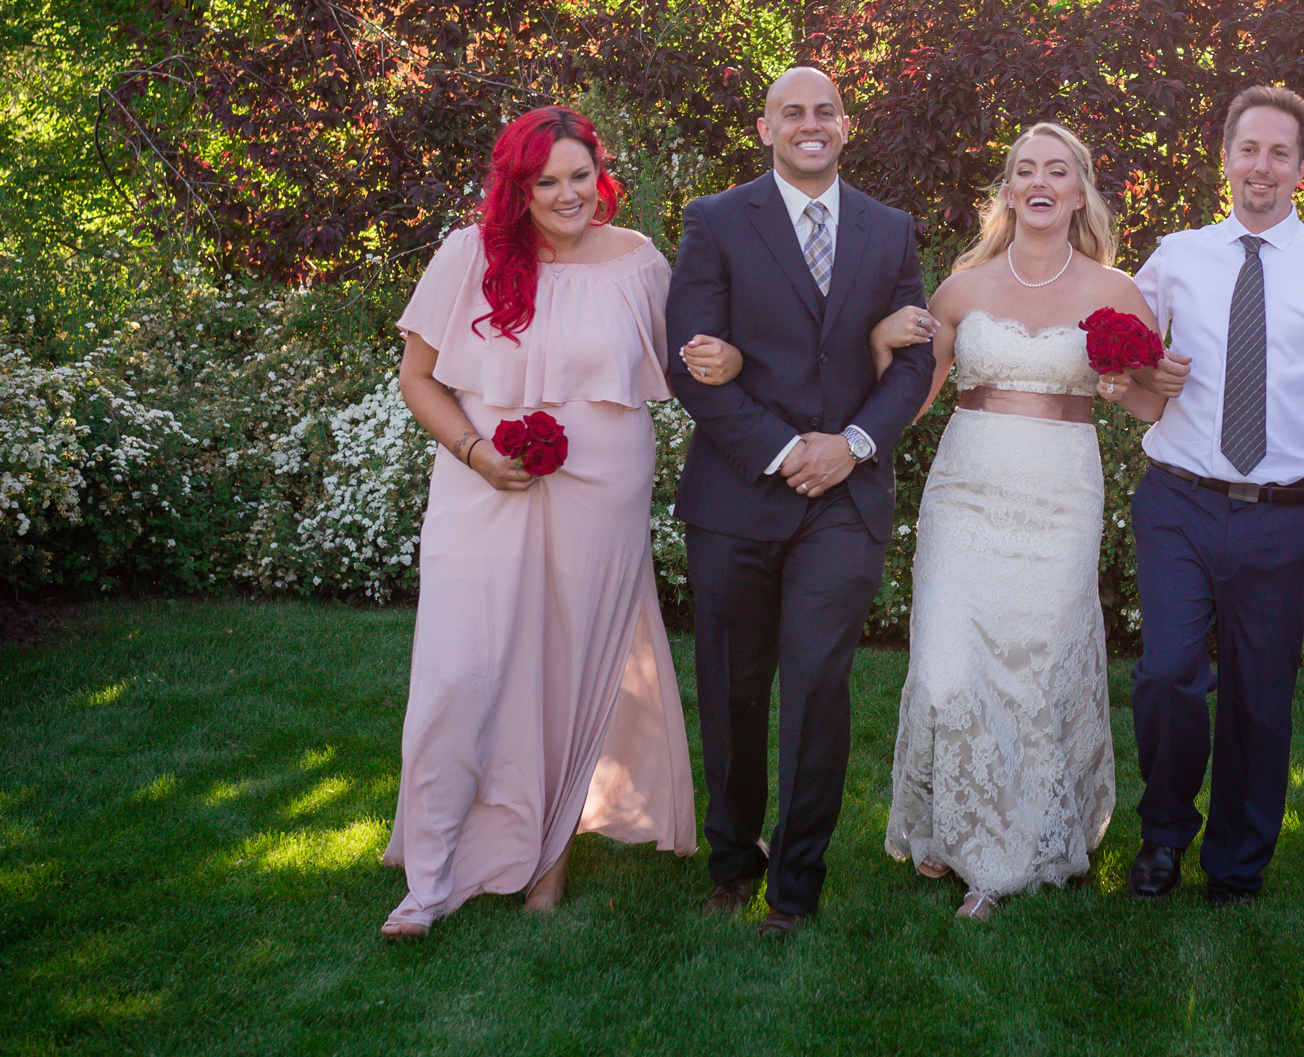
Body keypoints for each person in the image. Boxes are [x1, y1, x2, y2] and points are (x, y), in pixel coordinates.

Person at [381, 106, 697, 940]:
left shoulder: (638, 262)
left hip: (605, 487)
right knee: (461, 669)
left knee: (572, 666)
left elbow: (692, 362)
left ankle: (549, 858)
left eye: (579, 176)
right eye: (545, 181)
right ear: (516, 187)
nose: (567, 194)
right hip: (482, 482)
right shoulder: (468, 254)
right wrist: (476, 450)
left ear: (601, 174)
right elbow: (419, 378)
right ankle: (432, 872)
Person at [1110, 84, 1304, 906]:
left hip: (1280, 515)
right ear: (1226, 156)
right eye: (1248, 149)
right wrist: (1128, 373)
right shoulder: (1175, 257)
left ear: (1303, 167)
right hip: (1179, 501)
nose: (1261, 166)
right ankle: (1164, 834)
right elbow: (1124, 355)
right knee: (1167, 673)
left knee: (1258, 695)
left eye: (1280, 152)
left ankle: (1237, 860)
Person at [666, 67, 935, 937]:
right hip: (739, 494)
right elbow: (692, 360)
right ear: (766, 127)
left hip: (843, 500)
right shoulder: (714, 220)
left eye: (824, 112)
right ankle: (731, 862)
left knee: (818, 686)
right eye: (793, 112)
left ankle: (796, 884)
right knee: (734, 690)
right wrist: (786, 451)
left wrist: (849, 445)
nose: (809, 125)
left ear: (847, 127)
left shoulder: (890, 231)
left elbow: (917, 361)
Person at [869, 122, 1154, 920]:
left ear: (1078, 190)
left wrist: (1122, 383)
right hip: (966, 495)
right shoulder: (961, 290)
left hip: (1060, 498)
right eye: (1024, 169)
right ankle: (945, 822)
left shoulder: (1116, 291)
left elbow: (1149, 402)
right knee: (947, 665)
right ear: (1007, 191)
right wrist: (874, 347)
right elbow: (911, 401)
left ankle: (1003, 859)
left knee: (1036, 667)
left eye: (1056, 170)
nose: (1039, 181)